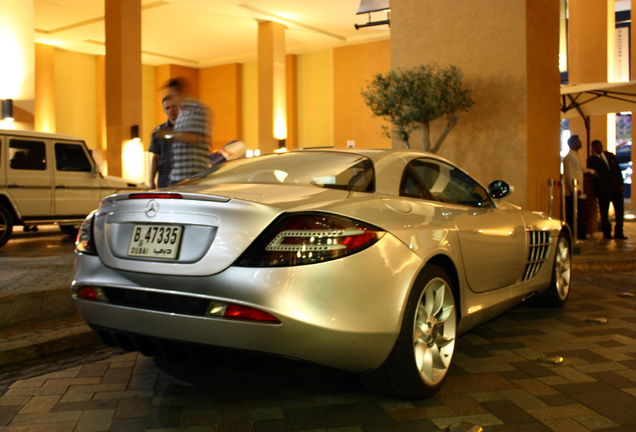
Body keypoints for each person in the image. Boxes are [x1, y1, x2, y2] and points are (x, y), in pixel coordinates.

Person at [155, 77, 212, 185]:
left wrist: (167, 134)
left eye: (171, 95)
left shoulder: (197, 109)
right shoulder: (183, 112)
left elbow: (194, 137)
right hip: (178, 174)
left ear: (177, 92)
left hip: (192, 175)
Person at [587, 140, 627, 240]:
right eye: (596, 147)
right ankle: (607, 233)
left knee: (619, 212)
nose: (598, 148)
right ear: (593, 149)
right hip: (603, 191)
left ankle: (619, 232)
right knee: (604, 213)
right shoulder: (592, 160)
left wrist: (621, 183)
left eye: (599, 146)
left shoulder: (610, 156)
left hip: (616, 189)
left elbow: (617, 170)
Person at [149, 95, 179, 189]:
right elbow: (155, 157)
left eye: (174, 106)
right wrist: (151, 181)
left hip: (182, 176)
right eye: (167, 108)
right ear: (164, 110)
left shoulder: (186, 129)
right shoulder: (159, 131)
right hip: (164, 178)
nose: (171, 110)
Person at [563, 135, 589, 240]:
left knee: (579, 213)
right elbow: (570, 174)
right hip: (572, 191)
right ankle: (576, 234)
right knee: (573, 214)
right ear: (571, 144)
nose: (580, 142)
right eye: (577, 141)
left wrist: (591, 171)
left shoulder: (575, 156)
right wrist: (575, 188)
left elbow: (580, 170)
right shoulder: (569, 157)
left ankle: (580, 233)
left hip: (577, 189)